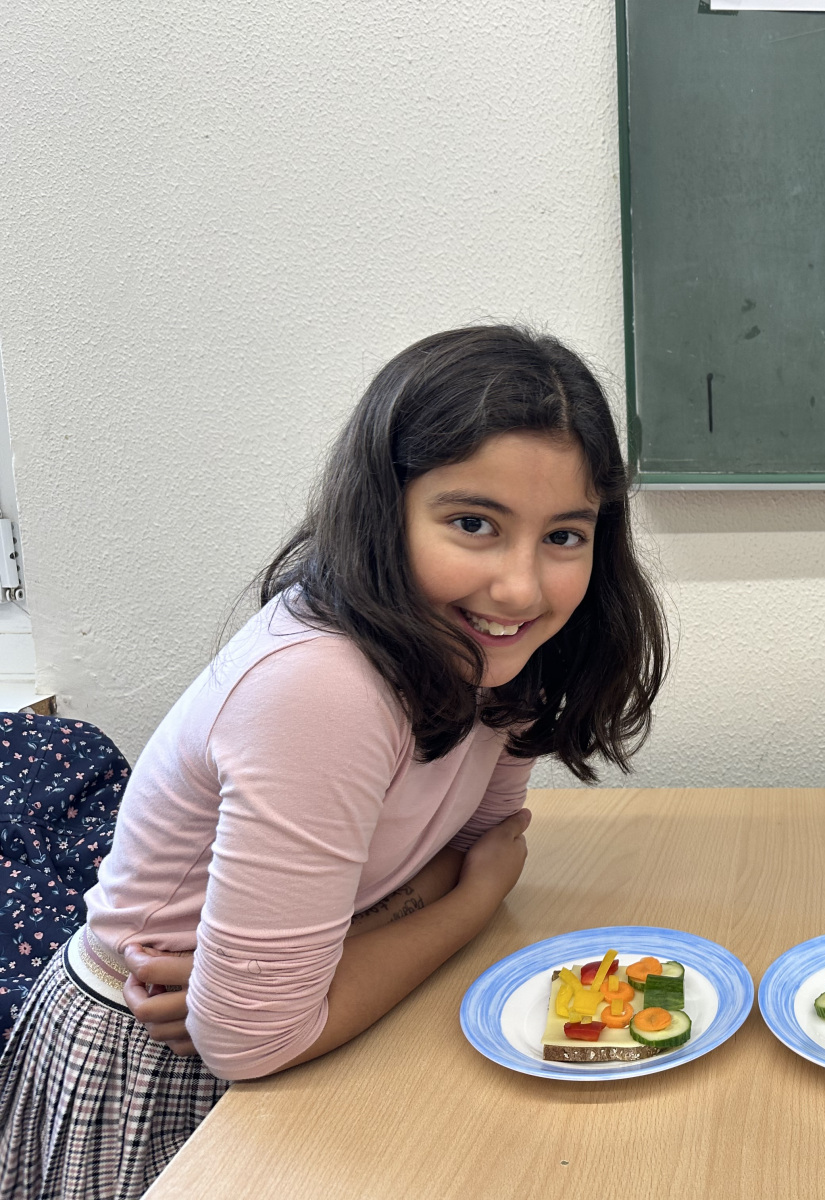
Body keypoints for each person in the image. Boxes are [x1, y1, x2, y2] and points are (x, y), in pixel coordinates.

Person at [0, 324, 668, 1197]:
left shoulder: (500, 652)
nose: (521, 587)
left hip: (292, 1017)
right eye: (473, 523)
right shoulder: (322, 685)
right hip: (153, 1053)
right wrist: (471, 904)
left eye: (565, 536)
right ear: (383, 510)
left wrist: (348, 942)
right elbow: (254, 1037)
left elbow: (476, 839)